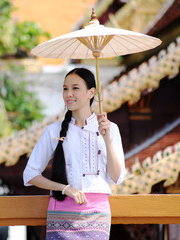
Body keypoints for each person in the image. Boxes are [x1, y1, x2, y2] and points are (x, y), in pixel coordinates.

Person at [23, 67, 126, 239]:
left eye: (75, 88)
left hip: (97, 215)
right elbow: (30, 174)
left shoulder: (110, 129)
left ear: (91, 92)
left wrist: (107, 140)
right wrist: (65, 188)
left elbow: (117, 177)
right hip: (62, 212)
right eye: (65, 88)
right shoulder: (53, 131)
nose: (68, 94)